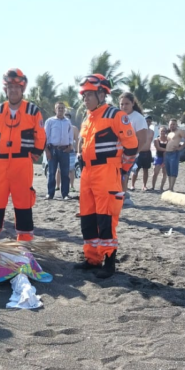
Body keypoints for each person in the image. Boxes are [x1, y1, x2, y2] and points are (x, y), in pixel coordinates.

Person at [73, 74, 138, 279]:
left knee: (106, 218)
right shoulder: (87, 119)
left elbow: (132, 147)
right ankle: (92, 259)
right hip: (87, 173)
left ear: (102, 94)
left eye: (89, 95)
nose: (85, 99)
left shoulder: (115, 115)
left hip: (107, 172)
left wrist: (121, 170)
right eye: (84, 95)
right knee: (88, 217)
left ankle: (109, 262)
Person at [0, 69, 46, 241]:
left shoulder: (32, 110)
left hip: (22, 163)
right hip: (0, 163)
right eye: (10, 87)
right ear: (6, 89)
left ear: (22, 88)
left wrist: (35, 154)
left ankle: (24, 241)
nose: (13, 90)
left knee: (23, 201)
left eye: (17, 87)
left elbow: (40, 135)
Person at [118, 94, 150, 205]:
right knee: (117, 175)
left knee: (124, 175)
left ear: (133, 103)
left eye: (127, 103)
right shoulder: (118, 116)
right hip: (117, 152)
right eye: (121, 104)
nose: (124, 106)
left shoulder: (138, 118)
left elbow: (143, 139)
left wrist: (133, 154)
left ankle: (123, 198)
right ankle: (122, 195)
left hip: (130, 153)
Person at [43, 102, 74, 200]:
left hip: (64, 150)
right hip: (53, 150)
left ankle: (65, 194)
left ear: (64, 110)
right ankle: (50, 193)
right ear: (55, 109)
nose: (60, 109)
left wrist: (70, 146)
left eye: (62, 108)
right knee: (51, 172)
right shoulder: (50, 121)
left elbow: (70, 135)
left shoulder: (67, 122)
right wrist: (46, 150)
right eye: (59, 108)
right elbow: (45, 136)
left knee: (65, 173)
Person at [162, 119, 185, 192]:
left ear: (176, 125)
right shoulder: (169, 133)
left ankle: (171, 187)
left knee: (173, 170)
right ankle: (169, 186)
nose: (172, 126)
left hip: (174, 153)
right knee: (168, 171)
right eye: (171, 124)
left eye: (174, 124)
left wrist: (181, 147)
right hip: (167, 153)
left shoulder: (179, 131)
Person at [131, 114, 156, 191]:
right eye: (147, 121)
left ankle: (144, 185)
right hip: (139, 152)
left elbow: (150, 141)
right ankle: (132, 185)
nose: (148, 122)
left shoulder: (152, 132)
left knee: (146, 170)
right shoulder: (139, 131)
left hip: (147, 152)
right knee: (136, 169)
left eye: (149, 121)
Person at [150, 127, 169, 191]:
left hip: (166, 157)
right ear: (159, 132)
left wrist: (166, 150)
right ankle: (153, 187)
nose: (162, 132)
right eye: (161, 131)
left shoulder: (168, 139)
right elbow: (158, 148)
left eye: (164, 131)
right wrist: (166, 150)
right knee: (155, 172)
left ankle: (161, 187)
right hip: (158, 157)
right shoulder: (156, 140)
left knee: (164, 173)